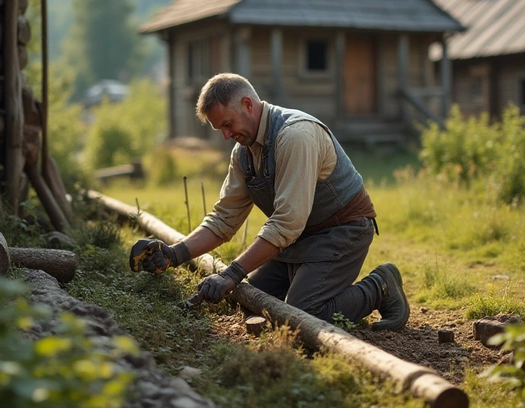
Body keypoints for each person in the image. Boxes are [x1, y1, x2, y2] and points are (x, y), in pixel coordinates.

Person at [132, 73, 409, 331]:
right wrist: (174, 254)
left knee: (300, 316)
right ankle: (302, 278)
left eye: (228, 125)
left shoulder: (295, 136)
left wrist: (231, 273)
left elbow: (287, 222)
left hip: (342, 231)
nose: (226, 136)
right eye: (221, 130)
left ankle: (380, 286)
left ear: (248, 104)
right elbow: (223, 220)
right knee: (252, 300)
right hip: (299, 239)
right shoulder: (243, 152)